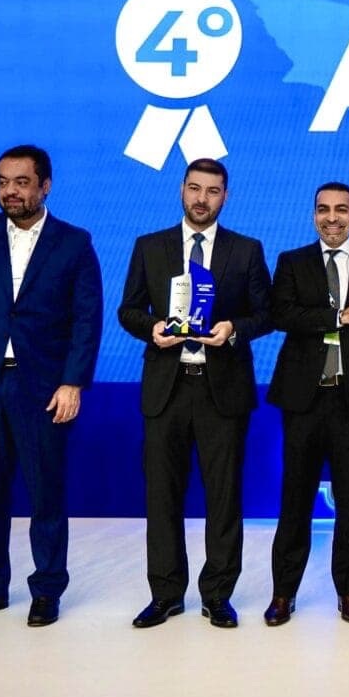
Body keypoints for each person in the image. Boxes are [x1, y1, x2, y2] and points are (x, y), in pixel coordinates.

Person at [0, 145, 103, 627]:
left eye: (22, 182)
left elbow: (86, 319)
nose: (10, 191)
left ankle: (47, 590)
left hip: (43, 389)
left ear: (45, 186)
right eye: (3, 181)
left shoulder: (74, 242)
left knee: (46, 495)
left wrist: (73, 383)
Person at [118, 158, 272, 630]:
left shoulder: (246, 250)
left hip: (221, 390)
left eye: (212, 191)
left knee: (224, 497)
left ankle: (218, 594)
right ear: (182, 190)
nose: (202, 199)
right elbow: (128, 310)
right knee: (162, 495)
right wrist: (152, 328)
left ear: (226, 196)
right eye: (195, 188)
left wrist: (232, 329)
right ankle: (165, 594)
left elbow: (266, 313)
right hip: (166, 387)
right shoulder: (150, 246)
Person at [264, 182, 349, 626]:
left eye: (341, 210)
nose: (332, 218)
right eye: (323, 209)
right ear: (313, 215)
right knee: (294, 501)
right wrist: (339, 317)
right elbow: (282, 314)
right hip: (302, 401)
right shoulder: (292, 262)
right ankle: (283, 594)